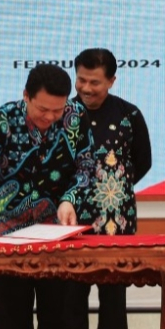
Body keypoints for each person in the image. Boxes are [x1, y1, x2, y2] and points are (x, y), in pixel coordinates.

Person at [0, 64, 95, 329]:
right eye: (42, 109)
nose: (50, 117)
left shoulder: (76, 116)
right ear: (26, 96)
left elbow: (86, 166)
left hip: (57, 231)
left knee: (59, 316)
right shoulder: (3, 119)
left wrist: (70, 199)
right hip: (7, 232)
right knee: (12, 317)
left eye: (57, 110)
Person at [63, 48, 152, 329]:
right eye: (81, 80)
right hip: (70, 222)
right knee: (69, 301)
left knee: (114, 301)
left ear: (112, 81)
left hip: (117, 222)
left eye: (95, 82)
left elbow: (143, 161)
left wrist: (113, 189)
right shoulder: (62, 114)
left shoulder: (129, 114)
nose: (86, 88)